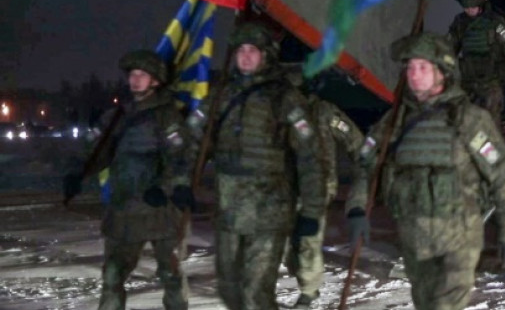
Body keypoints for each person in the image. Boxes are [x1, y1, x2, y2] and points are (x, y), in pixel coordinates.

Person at [345, 33, 505, 310]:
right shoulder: (394, 121)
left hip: (458, 237)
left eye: (423, 67)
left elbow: (503, 177)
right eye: (410, 68)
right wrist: (357, 209)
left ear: (443, 72)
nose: (414, 75)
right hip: (413, 237)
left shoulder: (469, 119)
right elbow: (366, 164)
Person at [185, 21, 329, 310]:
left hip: (269, 212)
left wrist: (312, 209)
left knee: (256, 294)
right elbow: (192, 140)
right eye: (241, 50)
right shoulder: (220, 96)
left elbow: (310, 155)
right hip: (229, 210)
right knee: (229, 289)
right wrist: (181, 181)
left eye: (253, 50)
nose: (246, 56)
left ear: (265, 55)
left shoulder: (284, 97)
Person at [62, 50, 191, 310]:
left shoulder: (167, 116)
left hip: (158, 209)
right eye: (132, 74)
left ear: (155, 80)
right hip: (123, 208)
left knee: (170, 274)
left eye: (142, 75)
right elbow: (95, 152)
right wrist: (77, 173)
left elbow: (180, 159)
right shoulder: (116, 116)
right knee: (112, 275)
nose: (135, 79)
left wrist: (164, 187)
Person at [287, 88, 363, 308]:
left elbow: (353, 138)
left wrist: (365, 163)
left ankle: (309, 291)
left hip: (319, 185)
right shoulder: (281, 111)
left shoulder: (324, 111)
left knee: (308, 238)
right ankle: (304, 274)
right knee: (285, 241)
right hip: (286, 185)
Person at [447, 0, 505, 126]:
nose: (469, 10)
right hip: (469, 77)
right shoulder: (460, 22)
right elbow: (450, 47)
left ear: (480, 5)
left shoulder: (495, 22)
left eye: (472, 7)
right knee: (468, 118)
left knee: (491, 118)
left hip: (492, 78)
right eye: (466, 8)